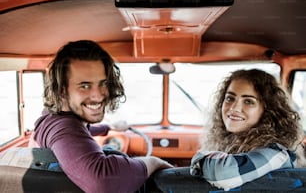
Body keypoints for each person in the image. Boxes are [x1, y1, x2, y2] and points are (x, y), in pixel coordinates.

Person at [29, 40, 173, 193]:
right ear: (62, 90)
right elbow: (102, 182)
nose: (98, 96)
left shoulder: (52, 120)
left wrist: (108, 128)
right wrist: (153, 162)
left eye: (103, 83)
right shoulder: (63, 127)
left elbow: (78, 134)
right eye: (84, 86)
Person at [190, 69, 306, 191]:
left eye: (248, 102)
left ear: (268, 111)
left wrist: (198, 159)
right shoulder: (228, 142)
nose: (234, 108)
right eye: (230, 98)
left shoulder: (278, 153)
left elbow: (223, 174)